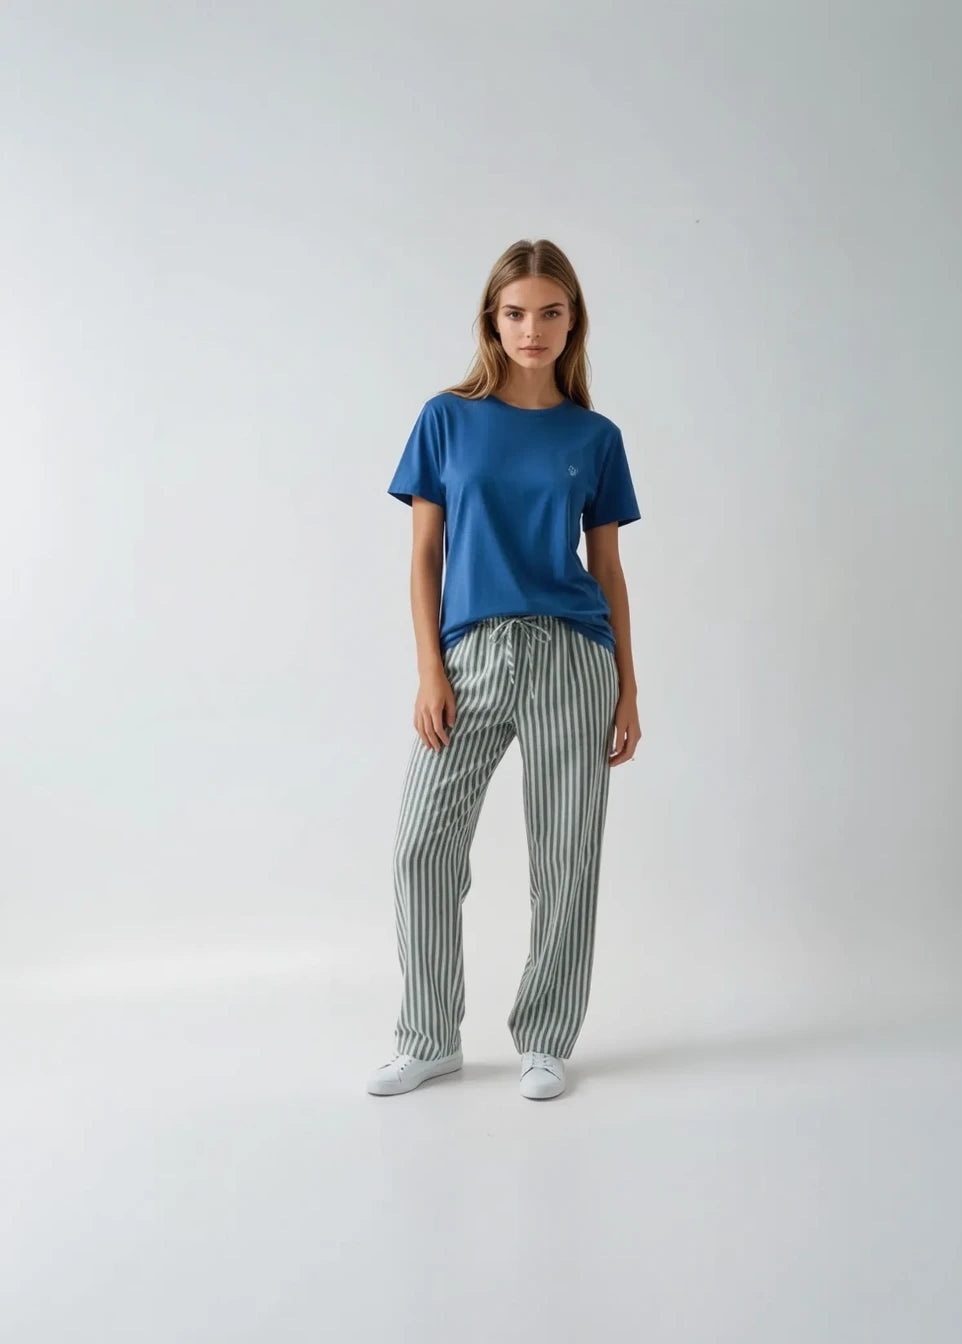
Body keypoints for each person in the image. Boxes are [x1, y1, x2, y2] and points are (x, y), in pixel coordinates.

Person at [366, 238, 642, 1101]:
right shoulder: (446, 418)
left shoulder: (594, 437)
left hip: (572, 654)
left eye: (551, 312)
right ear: (493, 319)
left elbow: (608, 571)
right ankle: (428, 1036)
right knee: (422, 844)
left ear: (573, 321)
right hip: (472, 654)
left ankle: (548, 1037)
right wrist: (429, 670)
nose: (533, 329)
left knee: (566, 854)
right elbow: (424, 558)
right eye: (516, 312)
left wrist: (629, 688)